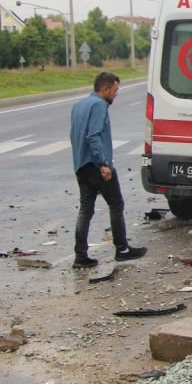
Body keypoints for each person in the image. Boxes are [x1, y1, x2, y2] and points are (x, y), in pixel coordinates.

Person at [69, 72, 146, 268]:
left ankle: (80, 256)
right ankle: (122, 249)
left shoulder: (79, 105)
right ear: (105, 89)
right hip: (97, 166)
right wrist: (103, 163)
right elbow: (93, 136)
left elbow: (75, 136)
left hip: (81, 165)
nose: (116, 94)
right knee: (116, 204)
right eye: (115, 90)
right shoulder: (99, 106)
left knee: (85, 210)